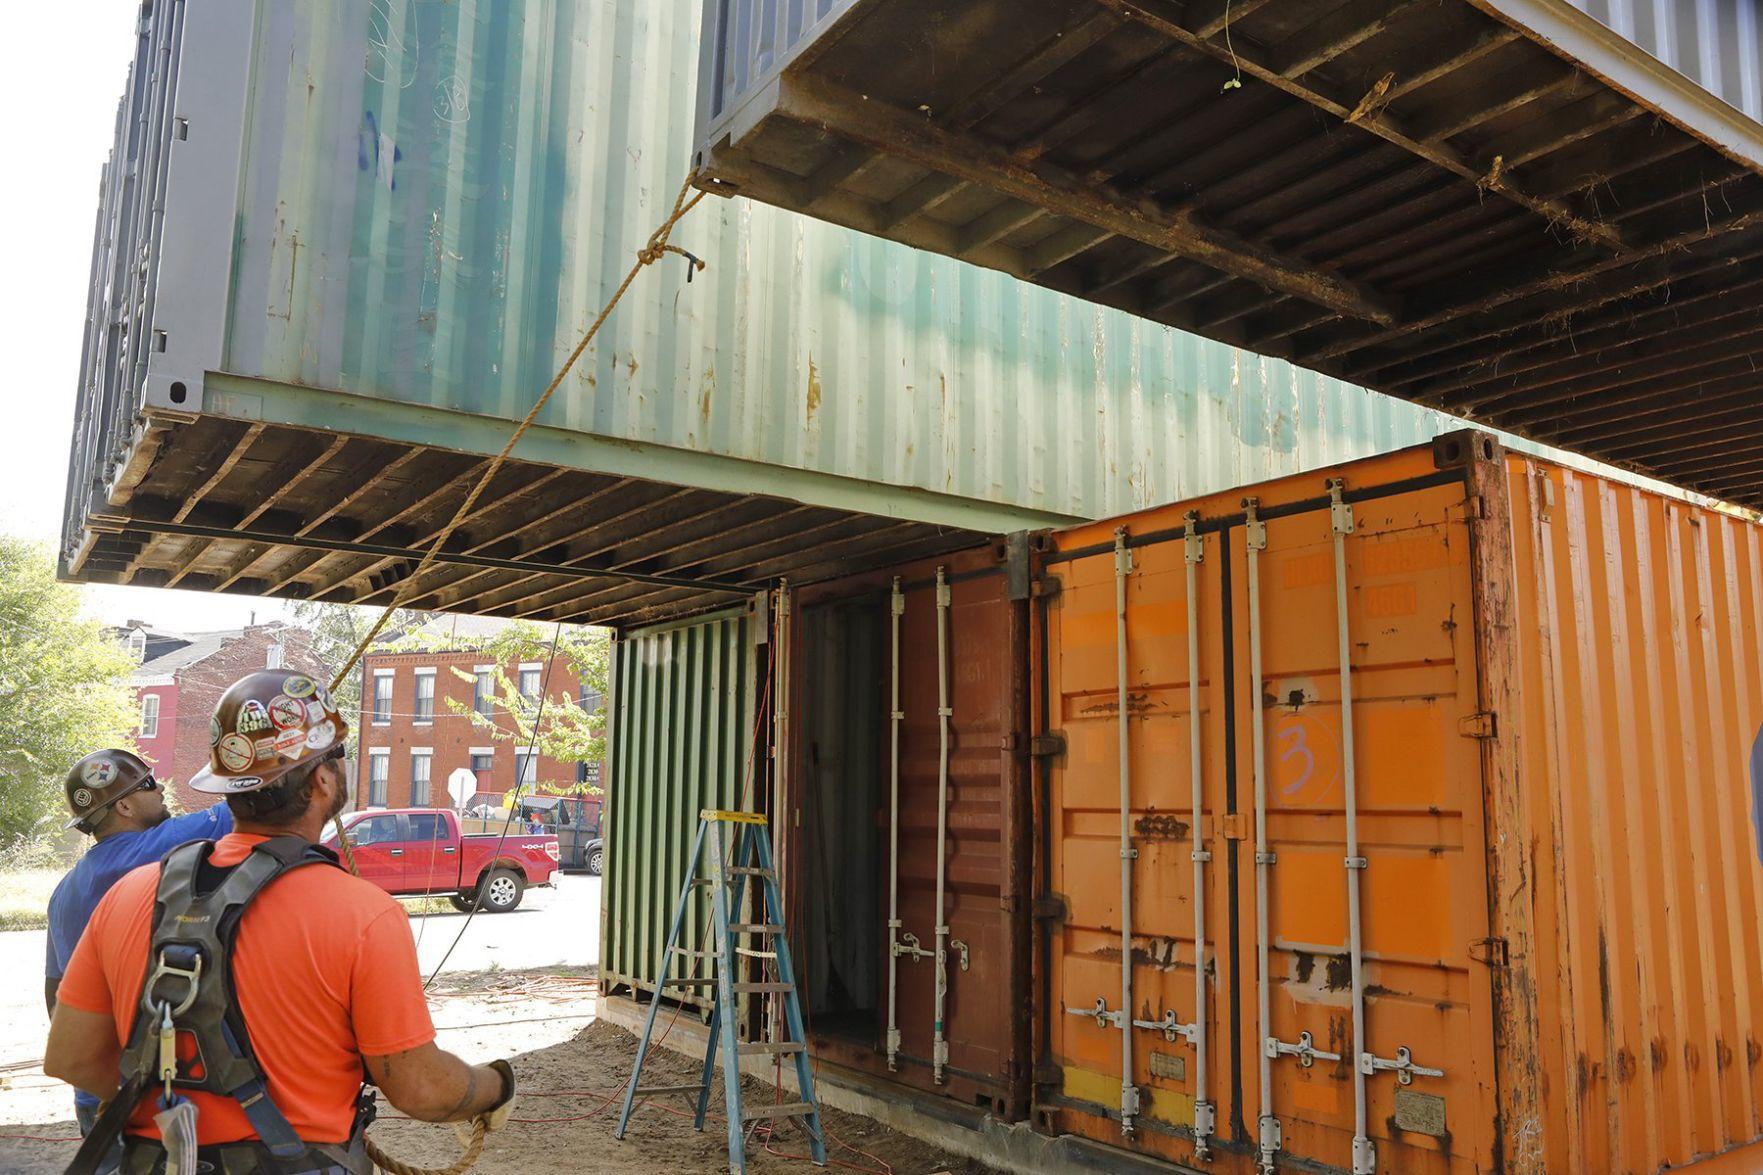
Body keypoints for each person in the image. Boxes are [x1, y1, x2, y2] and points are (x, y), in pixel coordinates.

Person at [44, 671, 516, 1174]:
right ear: (322, 779)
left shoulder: (126, 897)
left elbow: (72, 1057)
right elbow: (420, 1089)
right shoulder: (363, 913)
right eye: (337, 758)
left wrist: (179, 1112)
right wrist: (496, 1084)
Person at [46, 748, 234, 1147]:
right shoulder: (155, 848)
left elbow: (55, 995)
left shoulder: (64, 892)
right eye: (148, 784)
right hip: (151, 1086)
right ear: (126, 806)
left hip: (94, 1090)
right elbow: (243, 807)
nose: (161, 789)